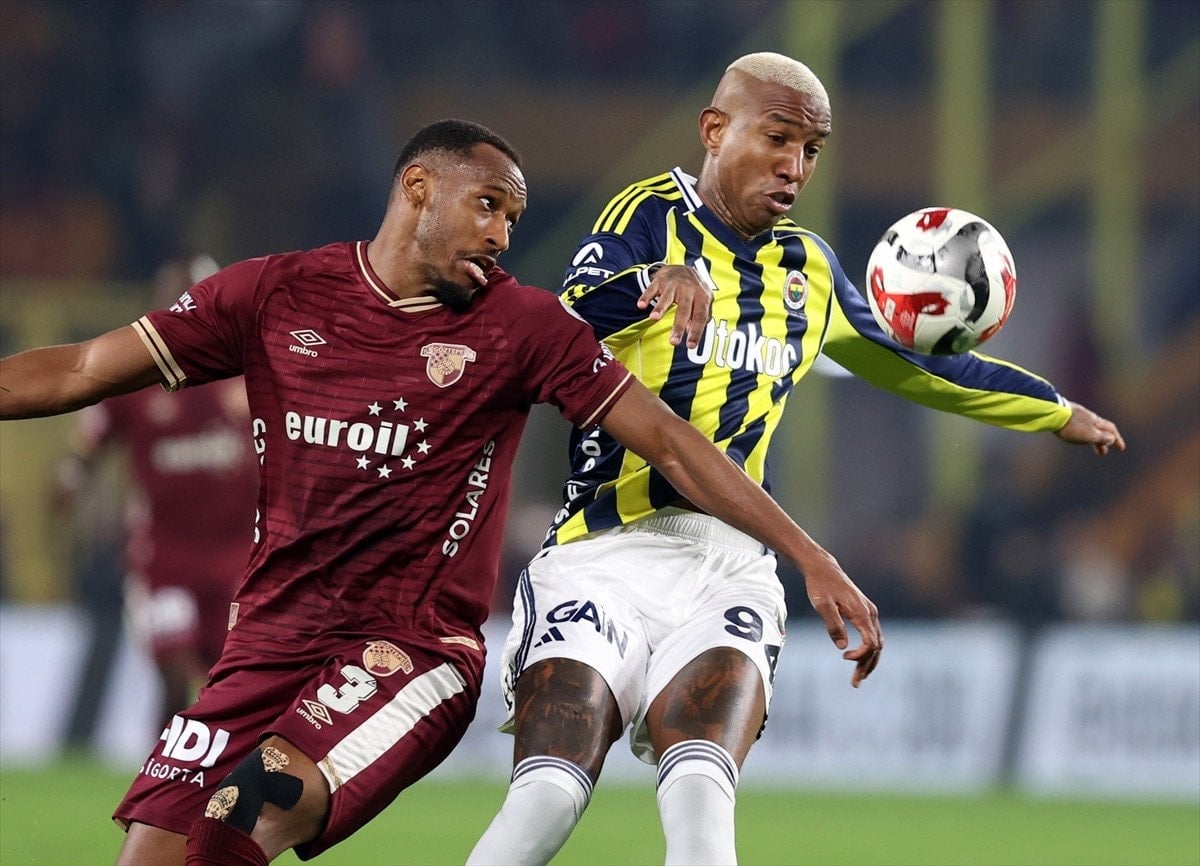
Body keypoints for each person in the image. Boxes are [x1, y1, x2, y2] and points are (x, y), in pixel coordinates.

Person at [0, 119, 882, 866]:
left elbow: (673, 445)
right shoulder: (273, 295)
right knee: (156, 855)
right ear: (418, 189)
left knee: (244, 810)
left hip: (409, 649)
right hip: (263, 643)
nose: (502, 236)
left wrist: (807, 556)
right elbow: (81, 368)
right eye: (488, 205)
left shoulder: (522, 327)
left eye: (514, 218)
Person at [468, 53, 1125, 866]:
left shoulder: (808, 271)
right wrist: (653, 279)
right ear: (715, 130)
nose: (795, 166)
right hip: (604, 553)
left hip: (730, 571)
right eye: (777, 138)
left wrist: (1055, 411)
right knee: (549, 798)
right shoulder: (650, 212)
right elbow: (564, 316)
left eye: (811, 149)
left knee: (703, 811)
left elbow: (924, 366)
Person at [54, 254, 259, 729]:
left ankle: (208, 767)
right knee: (172, 675)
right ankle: (164, 769)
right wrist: (72, 476)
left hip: (238, 559)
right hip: (165, 558)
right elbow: (92, 440)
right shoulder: (134, 379)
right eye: (178, 301)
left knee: (229, 682)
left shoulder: (248, 375)